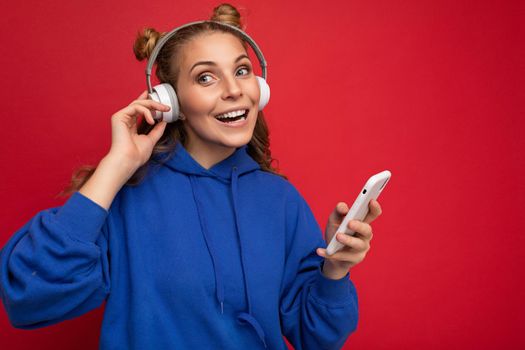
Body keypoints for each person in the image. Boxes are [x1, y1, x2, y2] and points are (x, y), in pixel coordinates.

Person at [0, 3, 382, 349]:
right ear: (170, 101)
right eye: (205, 78)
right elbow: (29, 296)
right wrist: (115, 166)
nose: (234, 90)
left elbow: (317, 337)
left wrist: (334, 270)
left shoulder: (280, 199)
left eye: (242, 70)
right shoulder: (124, 195)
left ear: (260, 87)